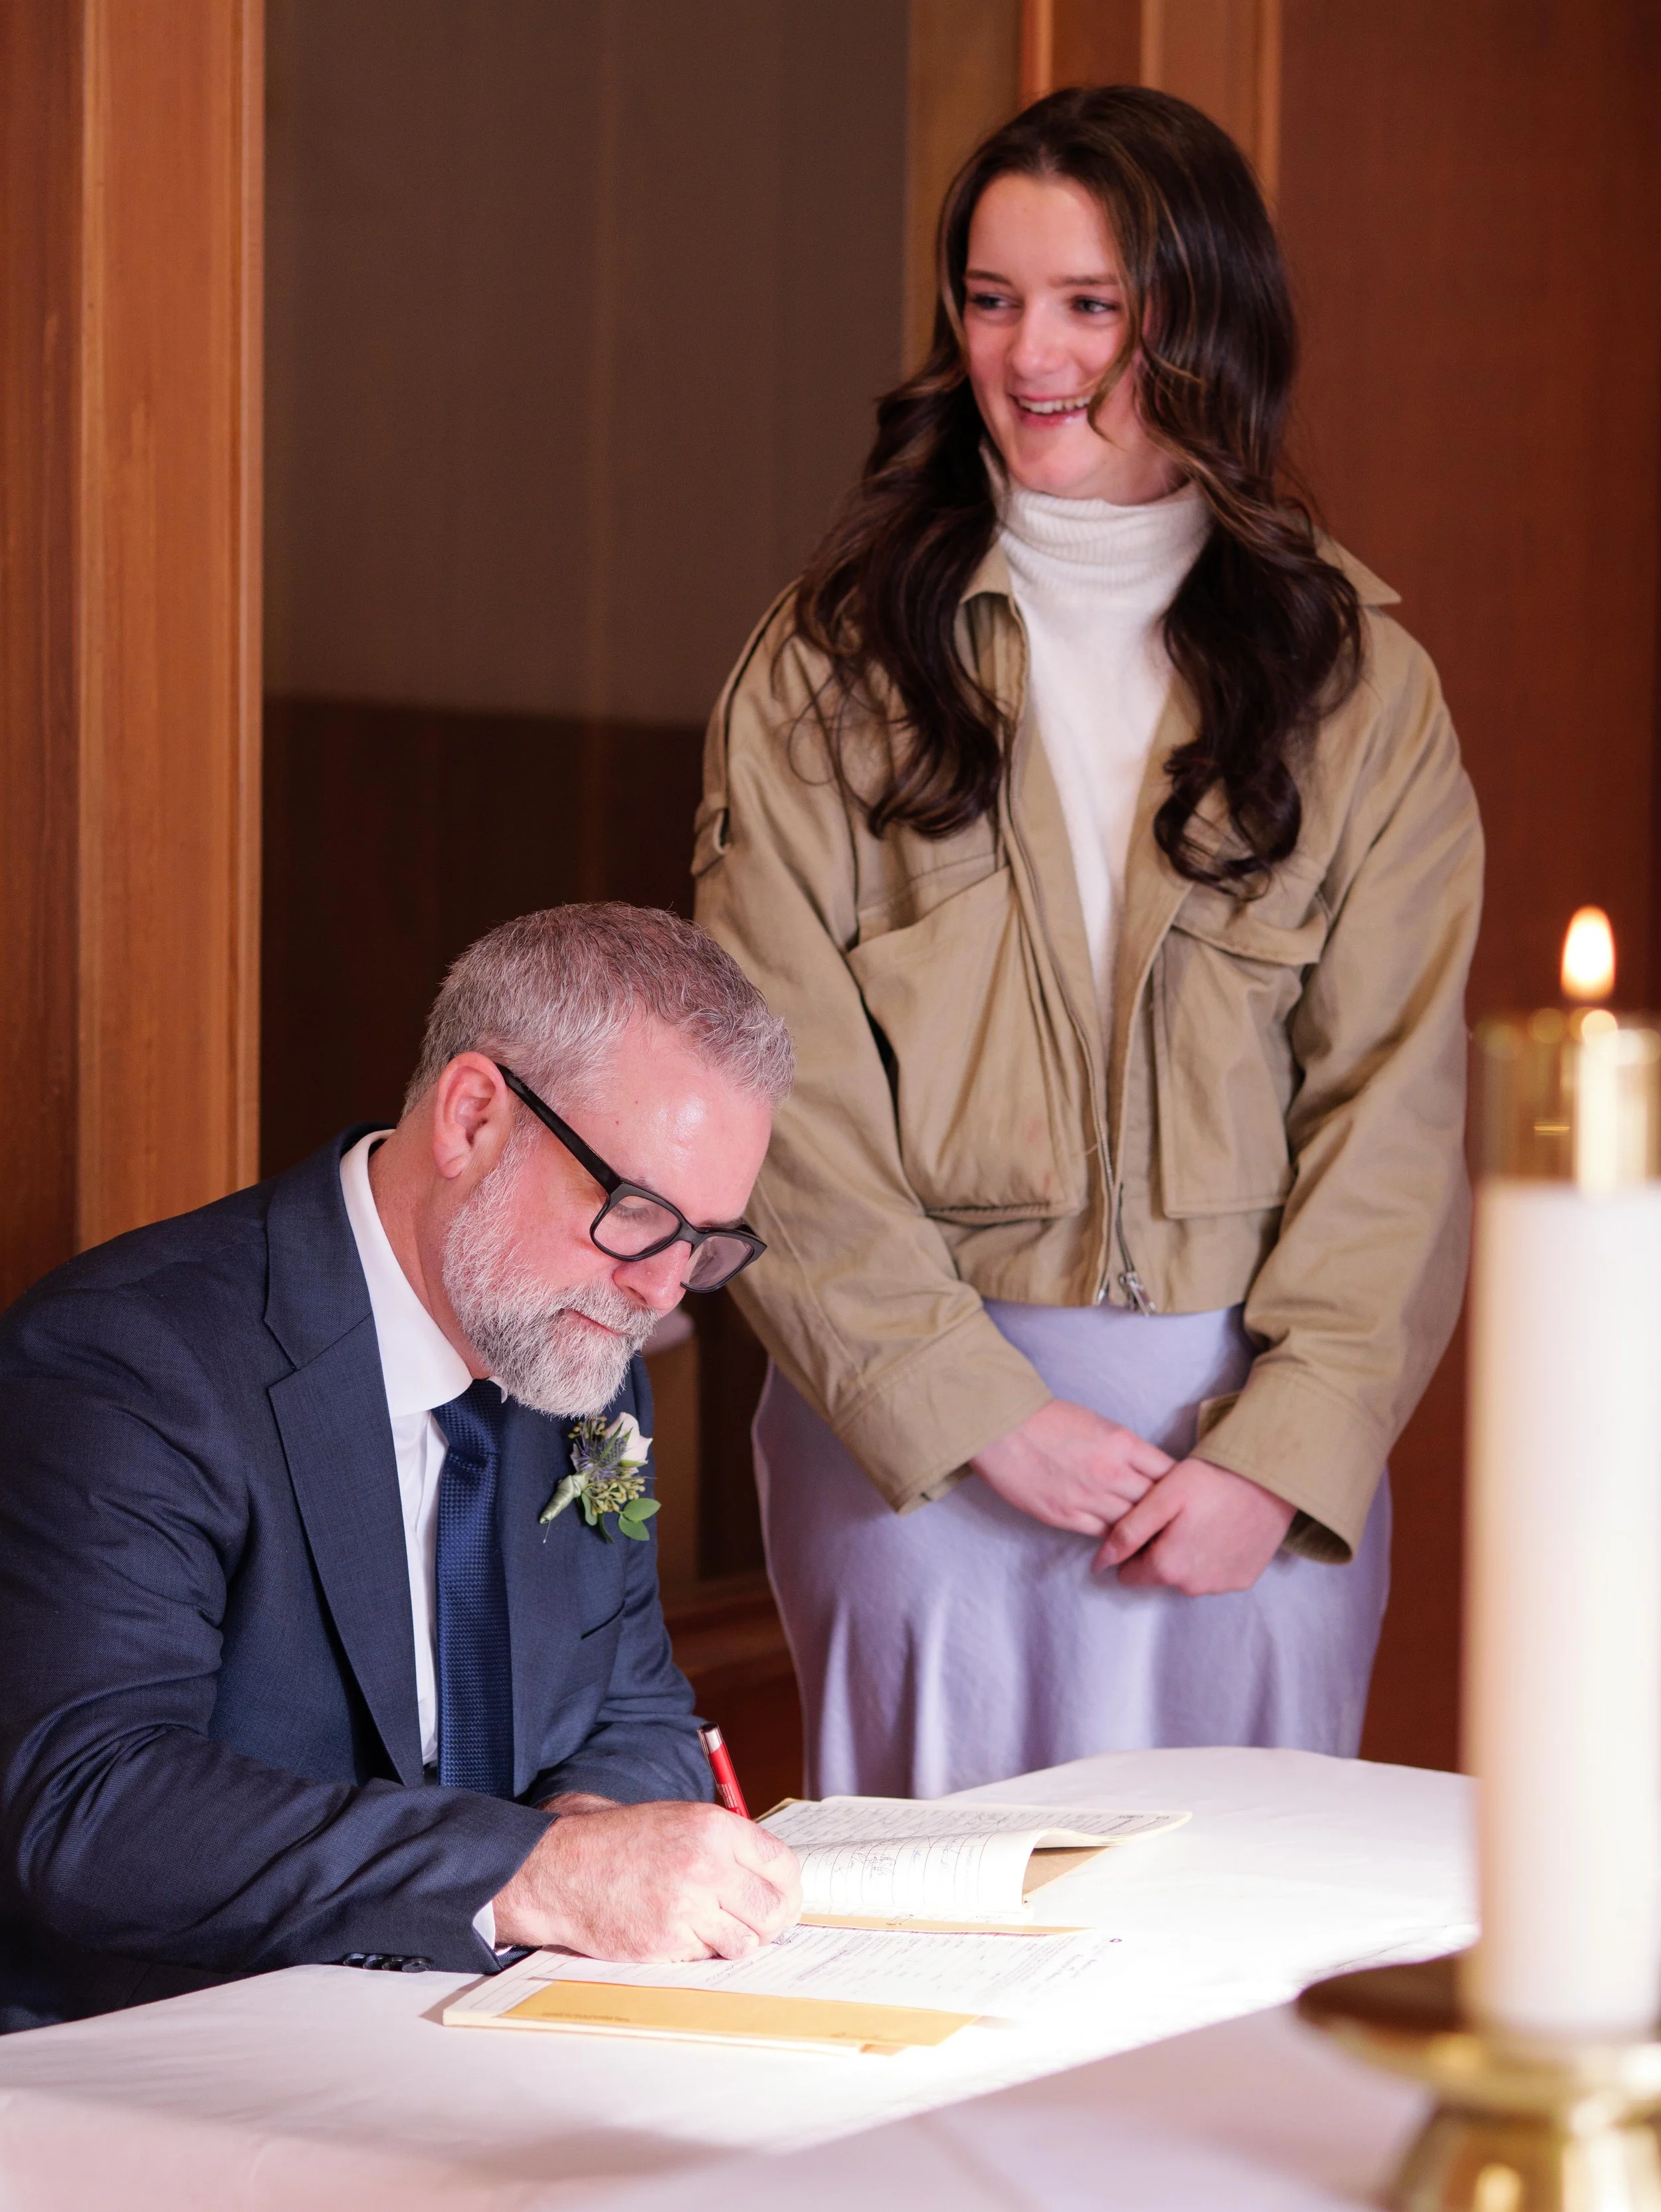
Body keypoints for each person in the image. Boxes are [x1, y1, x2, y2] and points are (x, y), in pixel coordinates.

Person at [694, 86, 1482, 1798]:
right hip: (907, 1439)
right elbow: (772, 1084)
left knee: (1229, 2005)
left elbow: (1395, 1110)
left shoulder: (1361, 684)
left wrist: (1282, 1455)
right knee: (925, 1993)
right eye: (988, 300)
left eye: (1086, 304)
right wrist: (969, 1410)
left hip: (1240, 1452)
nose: (1026, 354)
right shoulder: (824, 667)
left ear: (1197, 318)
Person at [0, 904, 802, 2031]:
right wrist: (533, 1873)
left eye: (705, 1242)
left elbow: (636, 1709)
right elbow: (94, 1805)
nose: (663, 1290)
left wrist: (598, 1831)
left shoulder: (585, 1369)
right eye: (636, 1214)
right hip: (171, 2055)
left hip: (498, 2046)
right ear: (473, 1116)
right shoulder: (134, 1359)